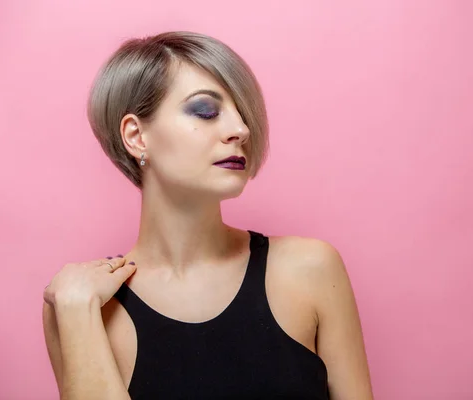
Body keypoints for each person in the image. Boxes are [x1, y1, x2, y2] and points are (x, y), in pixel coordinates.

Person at [42, 31, 374, 400]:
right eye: (205, 110)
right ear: (136, 136)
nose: (241, 130)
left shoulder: (310, 269)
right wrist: (75, 310)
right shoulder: (82, 303)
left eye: (242, 115)